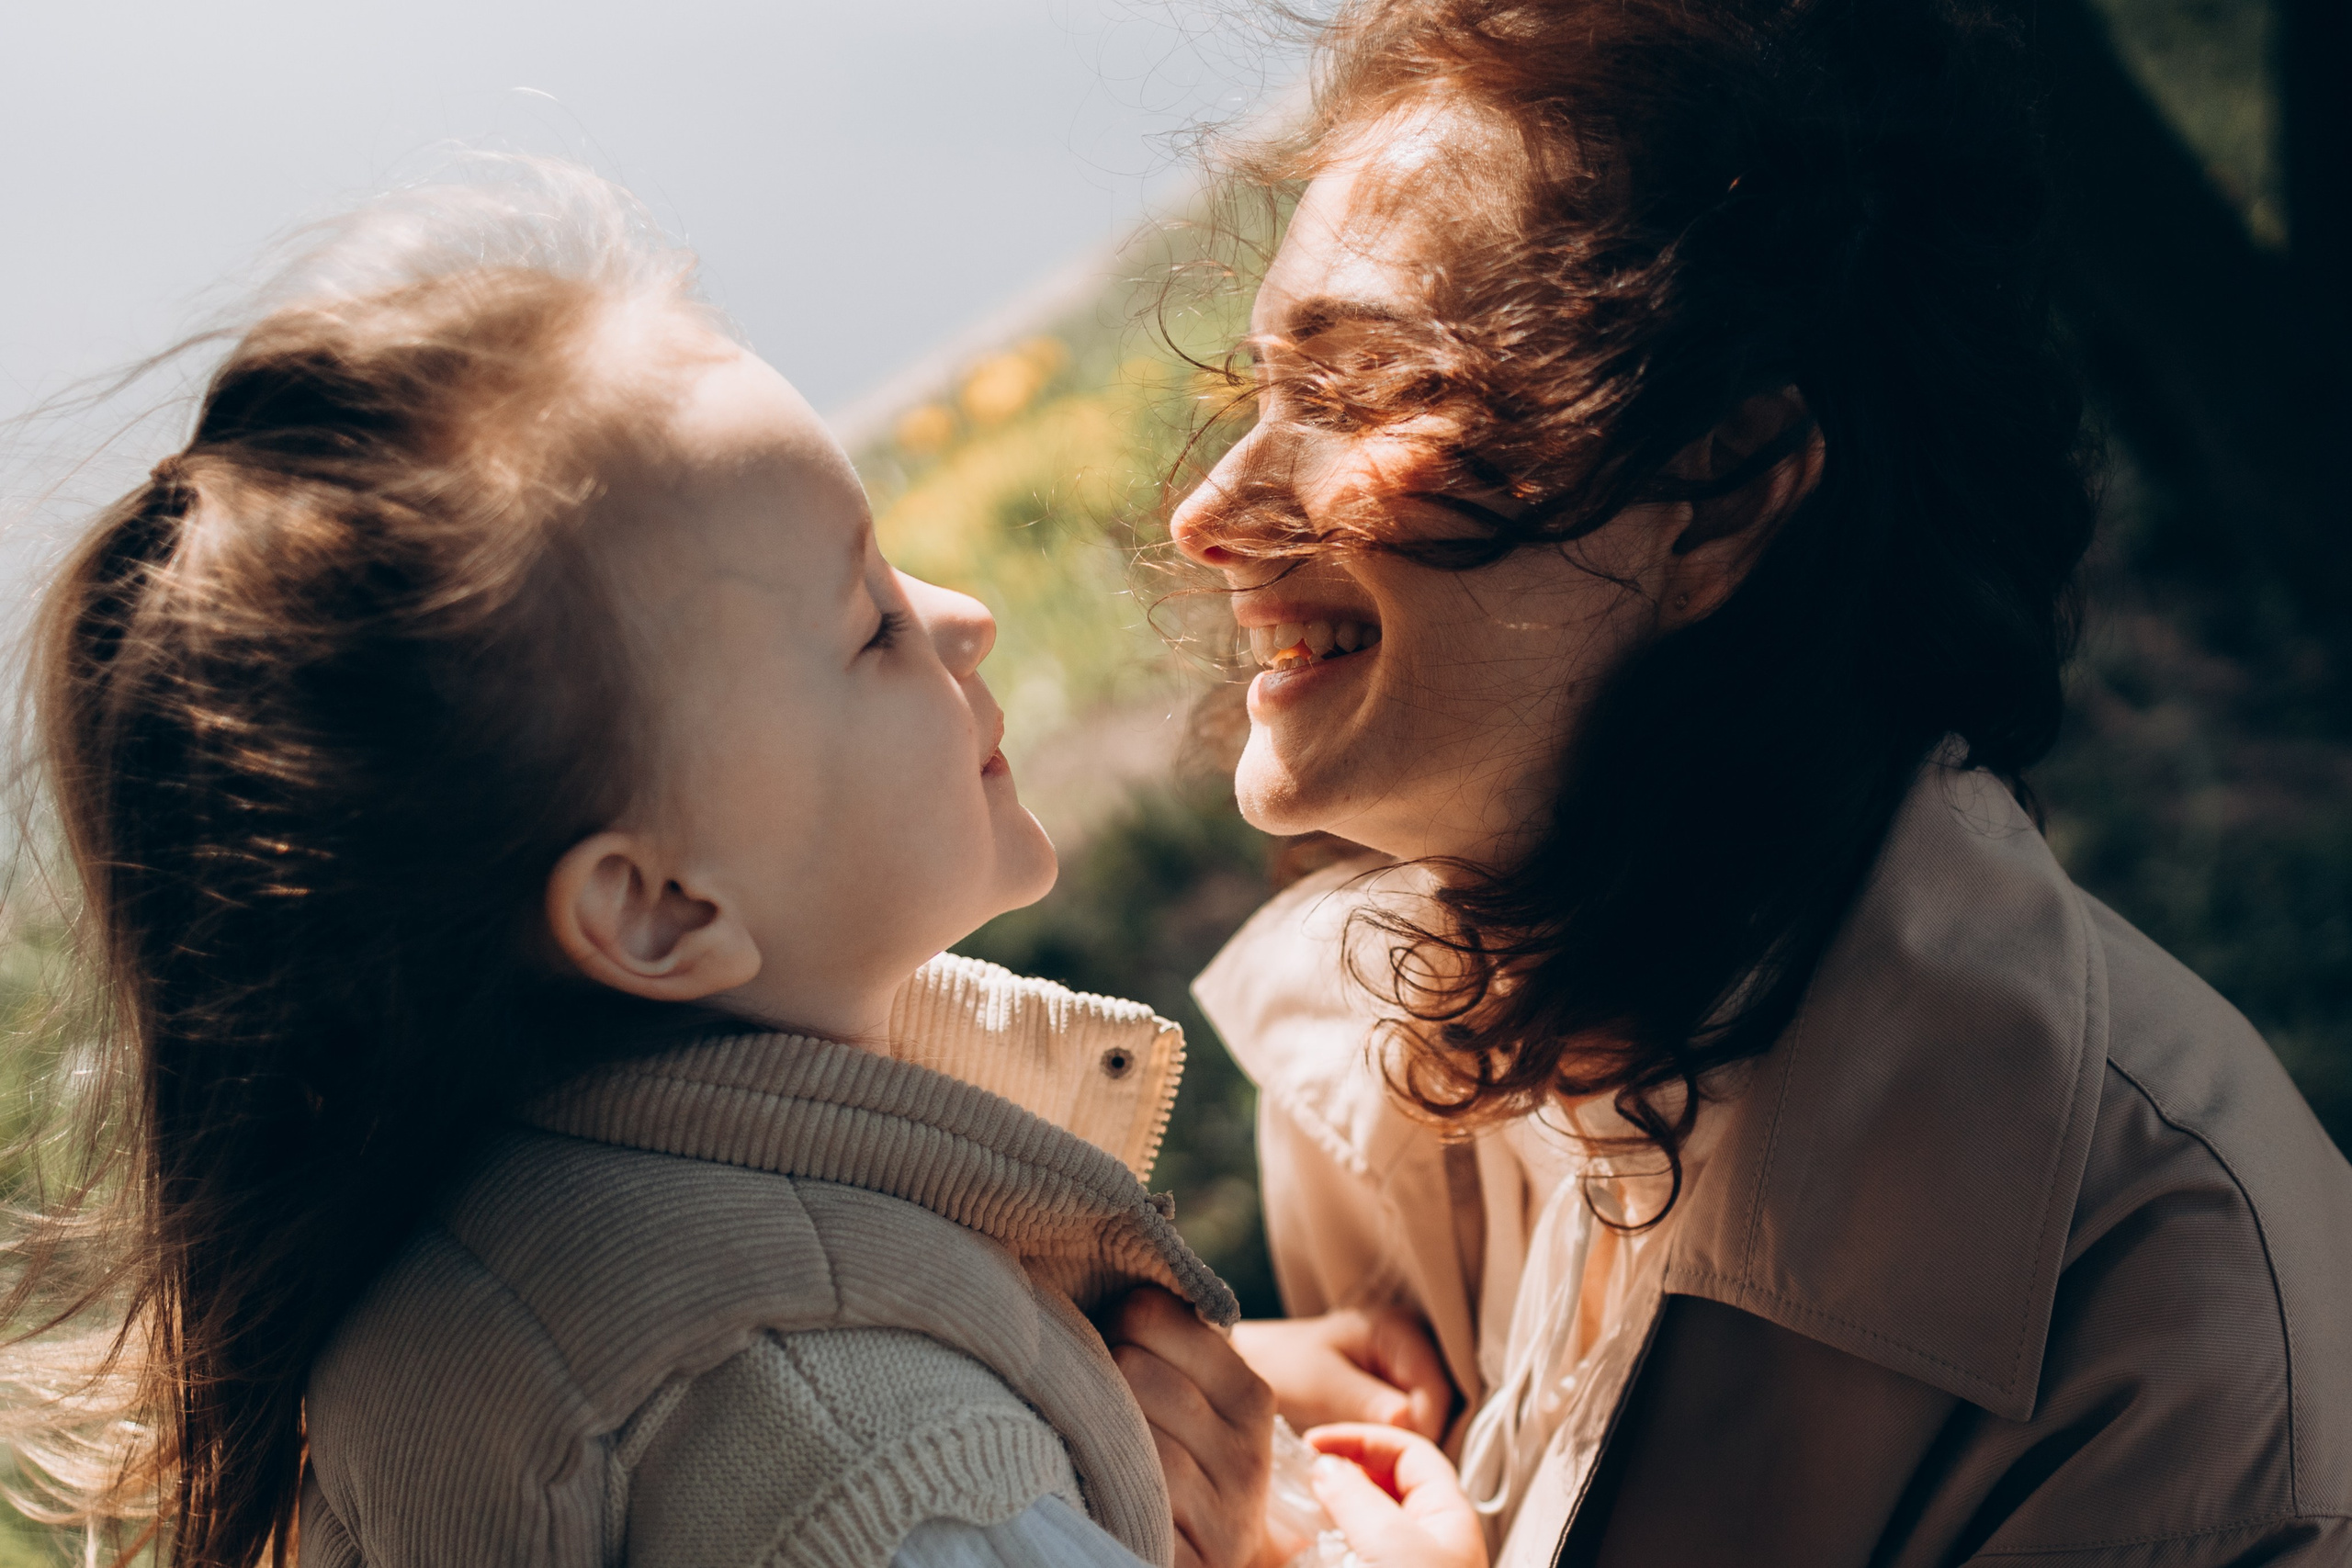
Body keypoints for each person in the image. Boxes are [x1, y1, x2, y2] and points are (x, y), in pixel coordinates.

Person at [1110, 1, 2352, 1564]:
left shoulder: (2161, 1334)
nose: (1212, 516)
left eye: (1359, 386)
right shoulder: (1375, 1070)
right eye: (1260, 387)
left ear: (1717, 487)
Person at [0, 159, 1238, 1568]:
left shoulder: (483, 1253)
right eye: (872, 625)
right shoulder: (874, 1463)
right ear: (654, 910)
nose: (964, 618)